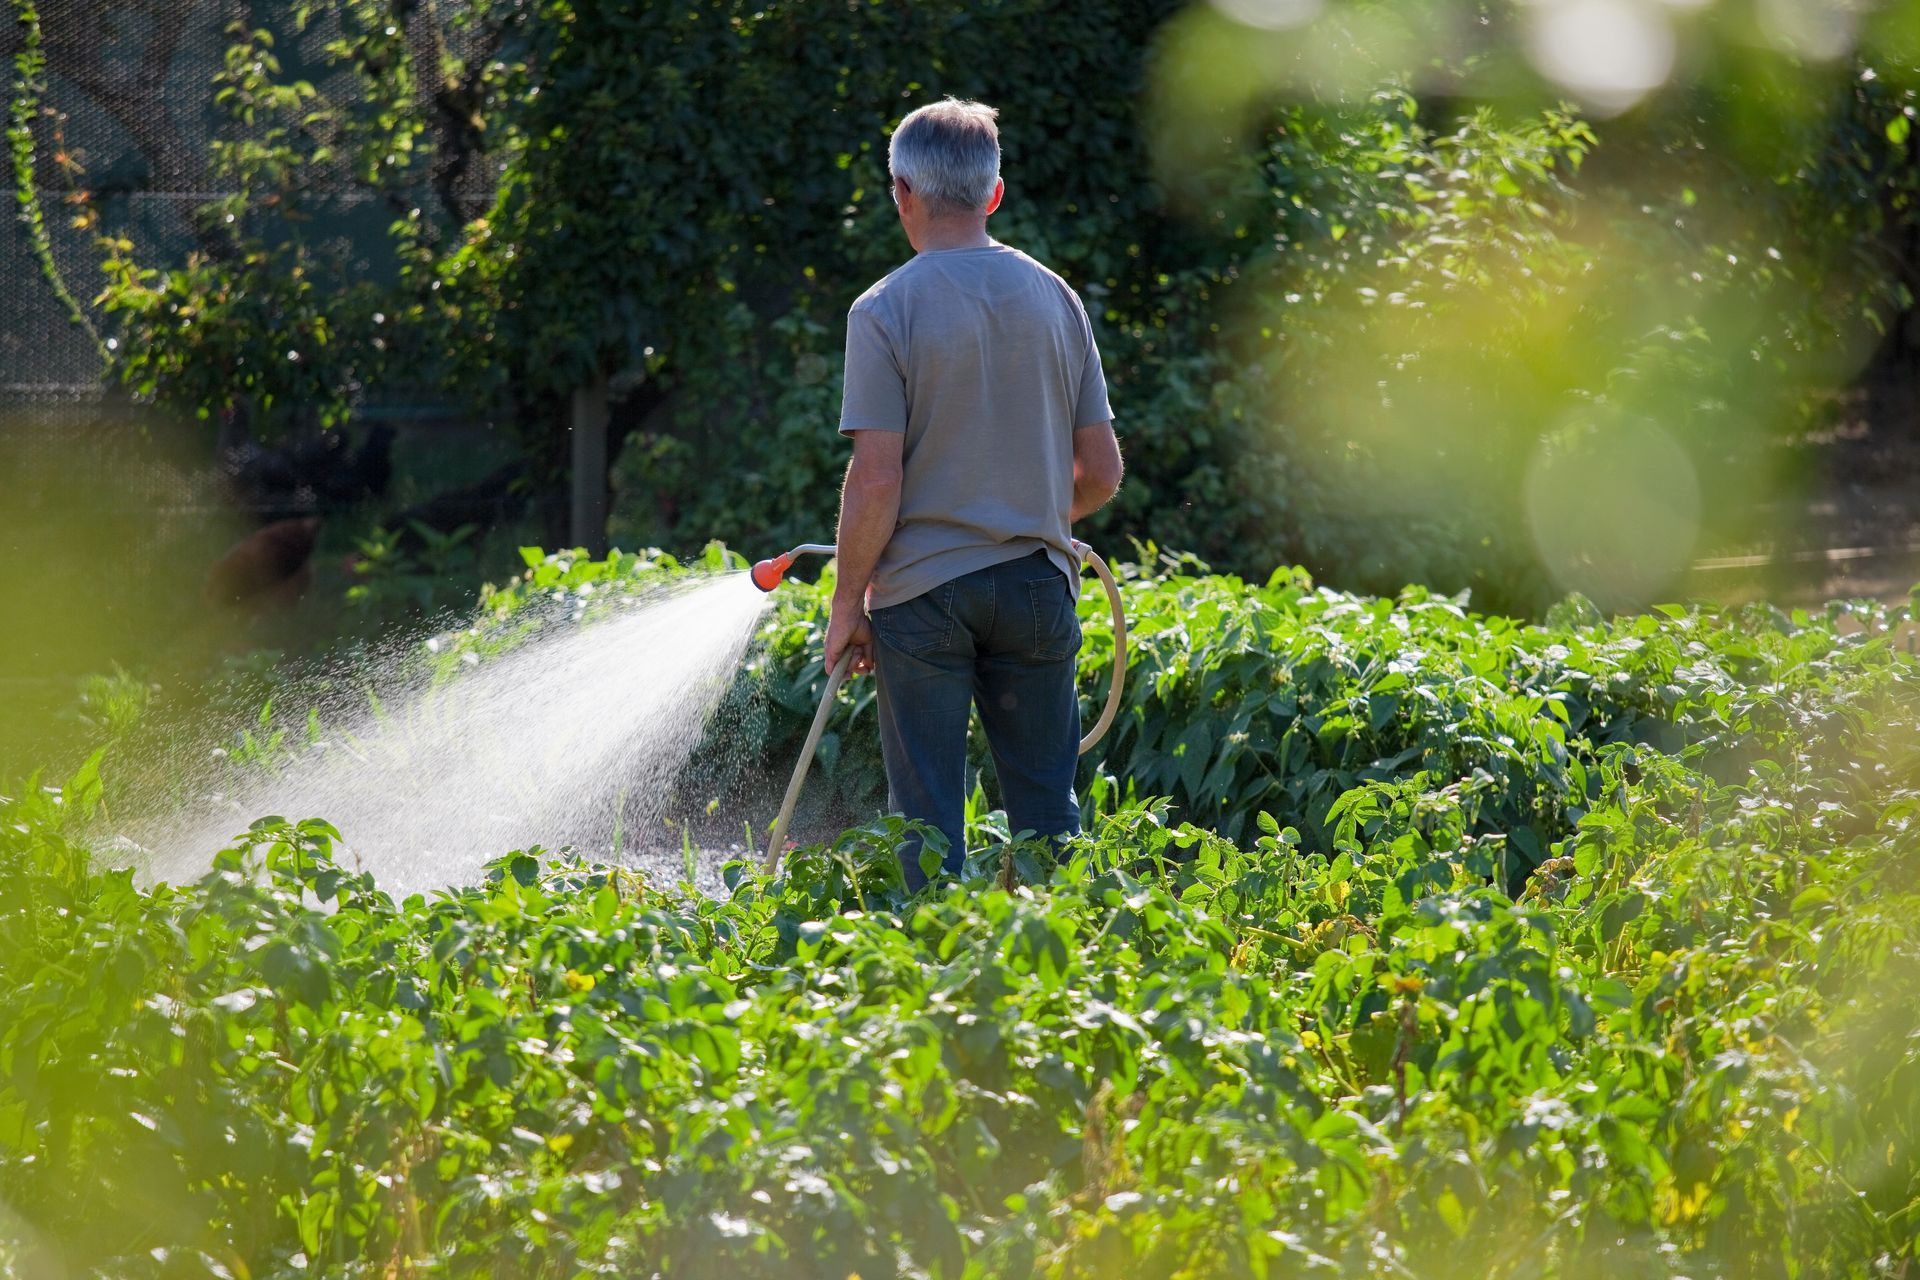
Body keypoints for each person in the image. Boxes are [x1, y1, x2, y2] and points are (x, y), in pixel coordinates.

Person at [822, 97, 1125, 889]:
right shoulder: (1056, 297)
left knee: (924, 826)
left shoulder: (884, 308)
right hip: (1036, 587)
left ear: (901, 195)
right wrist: (1021, 514)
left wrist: (847, 601)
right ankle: (1073, 982)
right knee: (1049, 816)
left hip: (923, 602)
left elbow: (876, 479)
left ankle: (931, 984)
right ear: (994, 195)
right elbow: (1102, 472)